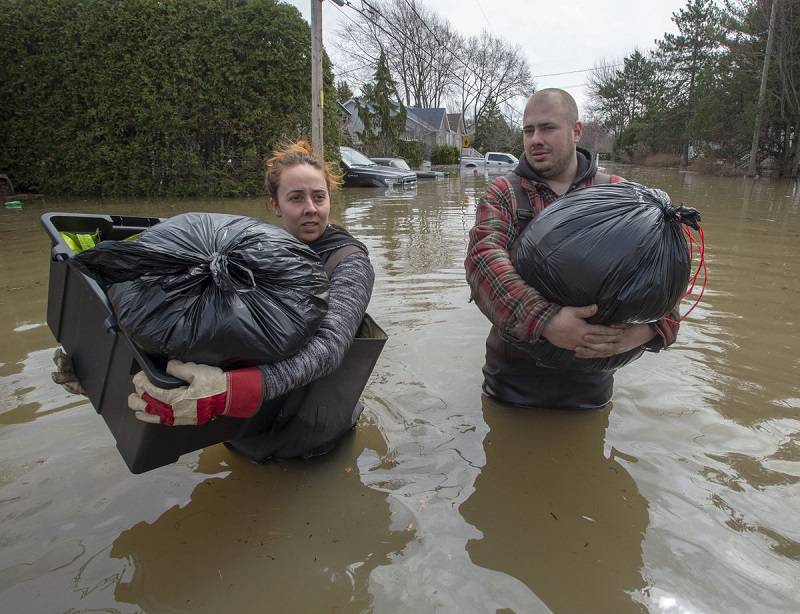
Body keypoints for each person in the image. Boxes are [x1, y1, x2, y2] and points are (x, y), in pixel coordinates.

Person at [54, 140, 375, 458]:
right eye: (296, 198)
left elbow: (330, 347)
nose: (310, 208)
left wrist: (230, 392)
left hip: (312, 436)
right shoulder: (245, 246)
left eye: (319, 197)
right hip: (239, 431)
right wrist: (103, 372)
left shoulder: (348, 261)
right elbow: (193, 335)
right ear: (275, 205)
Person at [464, 88, 678, 409]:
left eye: (547, 128)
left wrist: (648, 331)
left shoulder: (620, 194)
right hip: (513, 382)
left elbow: (663, 277)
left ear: (576, 131)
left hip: (591, 386)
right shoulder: (504, 192)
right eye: (528, 130)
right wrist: (546, 321)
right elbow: (483, 263)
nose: (535, 139)